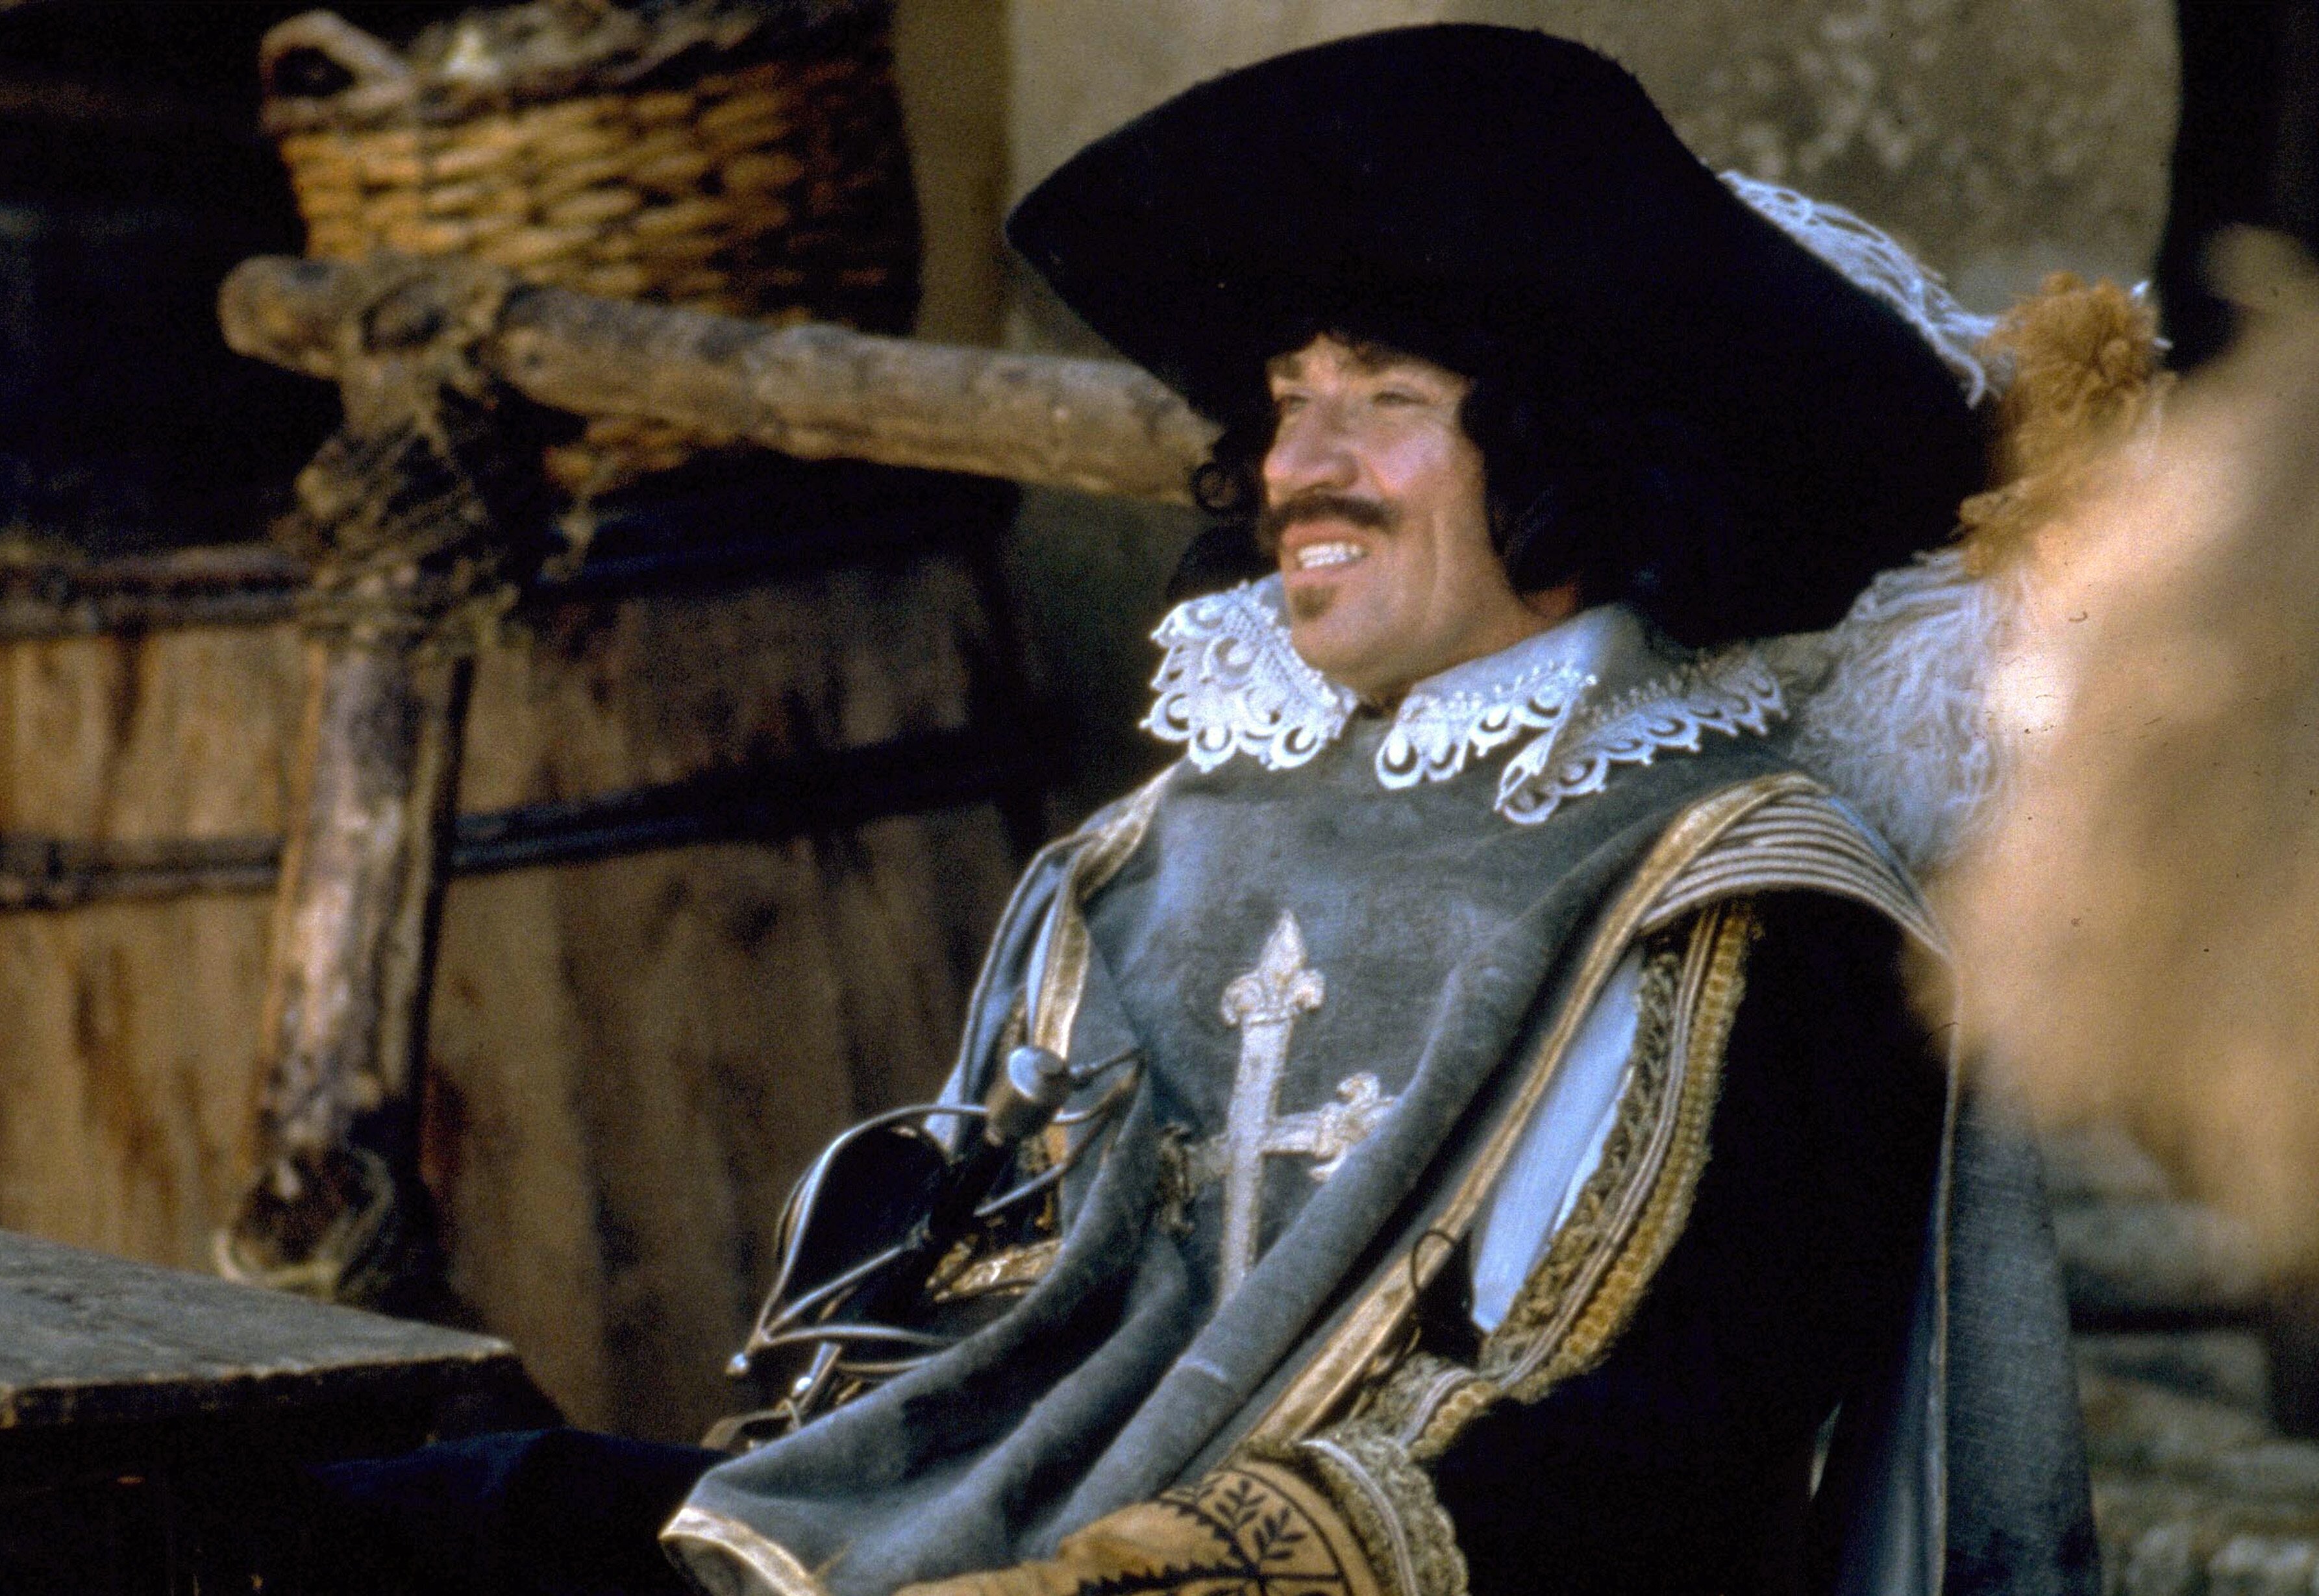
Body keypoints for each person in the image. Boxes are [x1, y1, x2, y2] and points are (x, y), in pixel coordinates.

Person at [318, 25, 2100, 1596]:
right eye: (1284, 404)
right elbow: (990, 1330)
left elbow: (1637, 1466)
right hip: (999, 1531)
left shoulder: (1745, 906)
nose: (1298, 469)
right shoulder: (1161, 853)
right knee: (399, 1519)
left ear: (1576, 451)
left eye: (1383, 402)